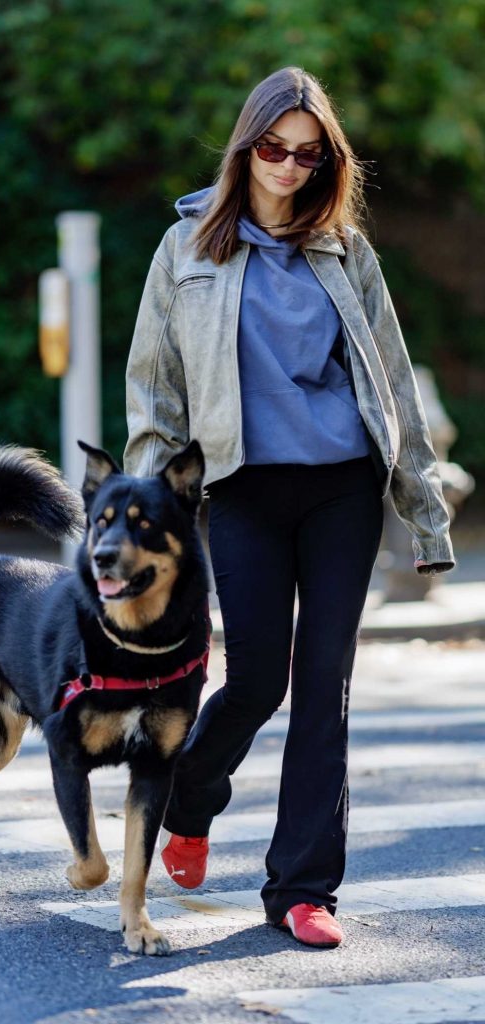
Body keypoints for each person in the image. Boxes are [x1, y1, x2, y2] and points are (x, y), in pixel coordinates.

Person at [122, 65, 455, 949]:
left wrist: (425, 514)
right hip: (243, 489)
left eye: (309, 155)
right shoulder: (186, 247)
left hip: (343, 486)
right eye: (274, 147)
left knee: (324, 692)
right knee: (259, 678)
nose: (289, 166)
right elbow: (154, 396)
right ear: (246, 145)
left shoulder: (346, 251)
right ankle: (191, 796)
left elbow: (393, 388)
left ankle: (305, 889)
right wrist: (146, 523)